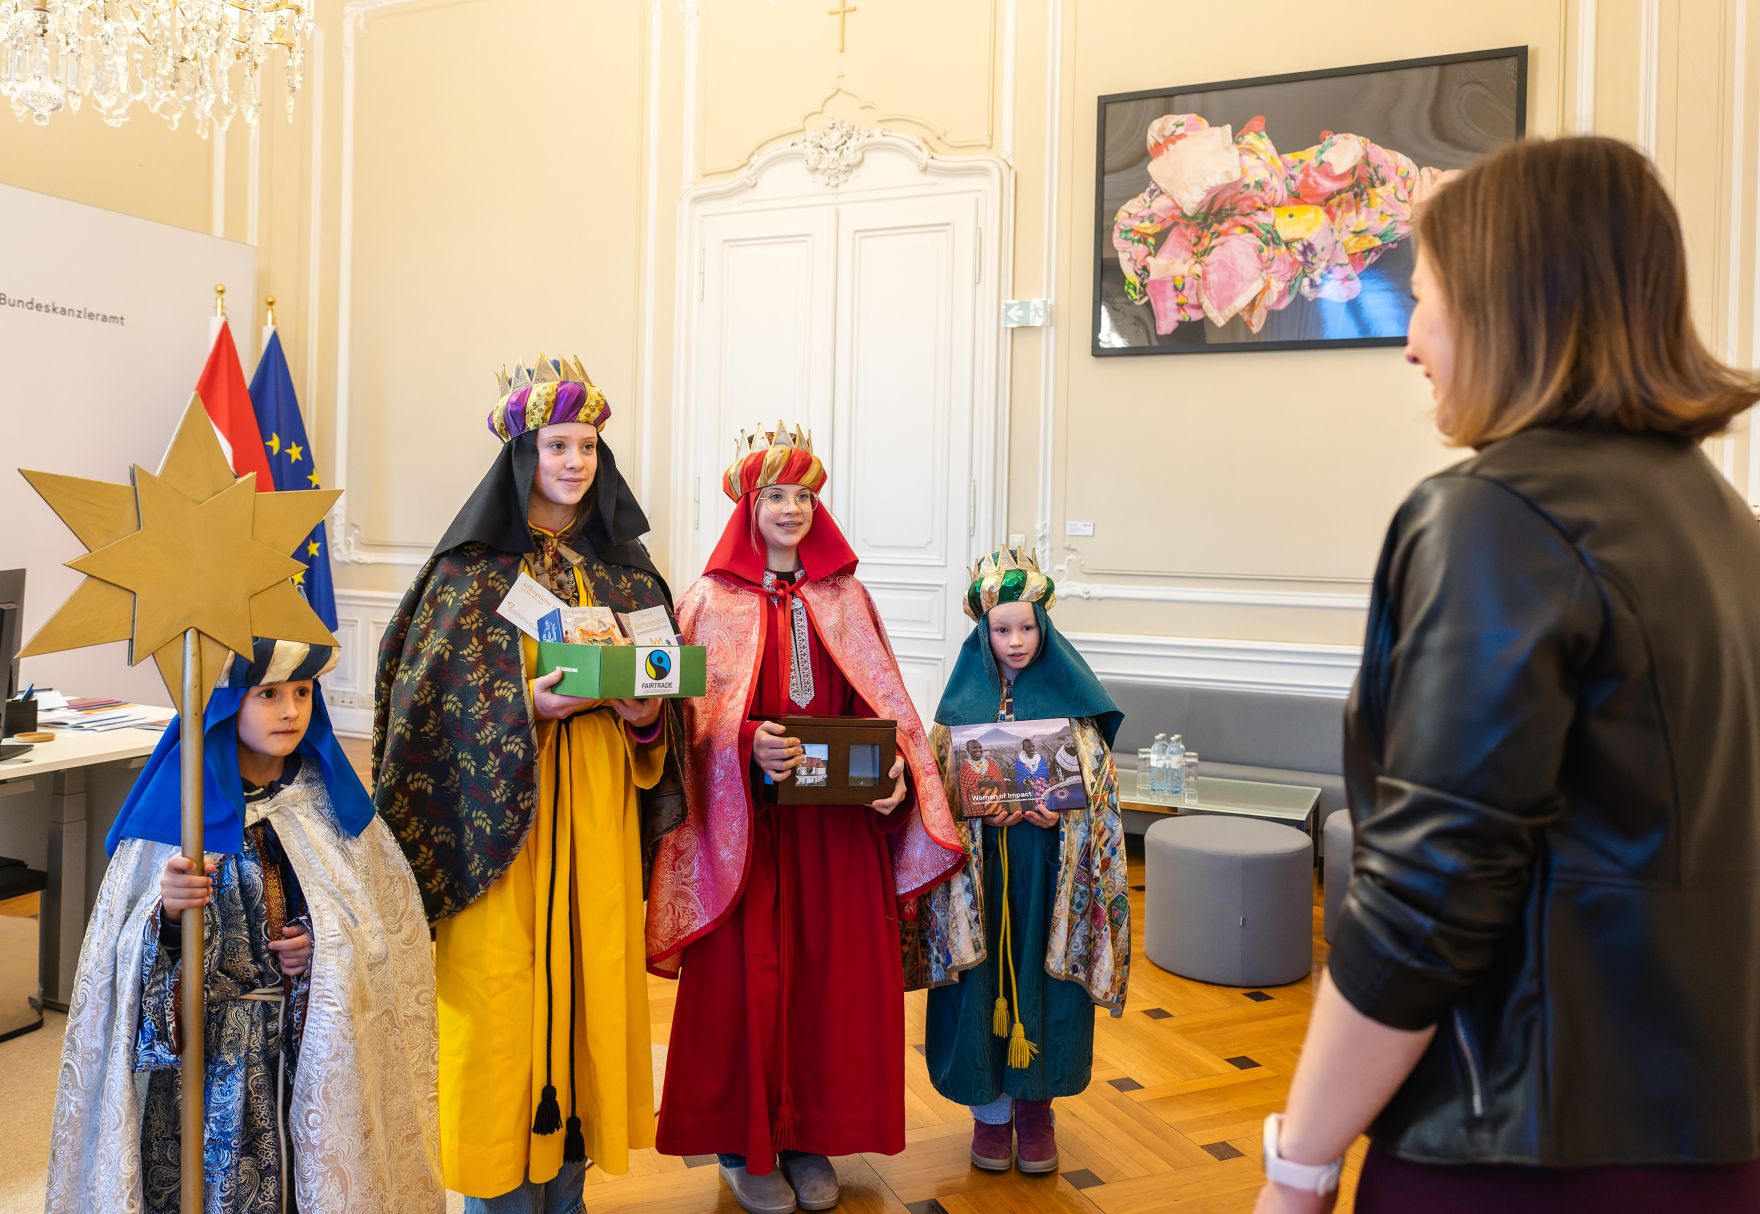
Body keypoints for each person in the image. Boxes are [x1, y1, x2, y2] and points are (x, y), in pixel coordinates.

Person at [1253, 136, 1760, 1214]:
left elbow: (1426, 899)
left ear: (1508, 305)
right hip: (1709, 1129)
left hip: (1518, 1146)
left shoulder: (1493, 516)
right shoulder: (1723, 522)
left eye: (1423, 298)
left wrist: (1298, 1166)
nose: (1409, 343)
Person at [374, 356, 685, 1213]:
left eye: (588, 445)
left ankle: (570, 1190)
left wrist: (644, 714)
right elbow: (423, 701)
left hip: (598, 812)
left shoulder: (624, 568)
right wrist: (528, 705)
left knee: (589, 993)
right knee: (502, 1004)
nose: (576, 461)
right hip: (500, 829)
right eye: (558, 445)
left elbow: (664, 705)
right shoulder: (470, 571)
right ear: (523, 454)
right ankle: (496, 1194)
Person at [648, 423, 964, 1214]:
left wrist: (893, 774)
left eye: (804, 496)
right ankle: (743, 1146)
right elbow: (686, 722)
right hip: (748, 834)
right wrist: (747, 742)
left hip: (833, 831)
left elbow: (881, 703)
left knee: (828, 983)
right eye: (776, 497)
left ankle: (808, 1134)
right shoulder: (708, 602)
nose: (792, 510)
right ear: (748, 508)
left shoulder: (847, 598)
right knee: (746, 987)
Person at [46, 640, 441, 1213]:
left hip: (308, 1056)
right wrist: (170, 914)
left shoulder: (325, 802)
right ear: (229, 704)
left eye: (302, 692)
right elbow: (122, 964)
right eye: (268, 695)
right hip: (211, 1066)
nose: (290, 711)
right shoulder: (180, 813)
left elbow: (381, 932)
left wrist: (322, 947)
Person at [914, 548, 1130, 1175]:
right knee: (982, 983)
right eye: (1002, 629)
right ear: (983, 634)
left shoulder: (1076, 715)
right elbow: (939, 800)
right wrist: (975, 815)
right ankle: (990, 1113)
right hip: (981, 876)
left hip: (1049, 873)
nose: (1016, 641)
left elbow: (1100, 799)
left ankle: (1037, 1108)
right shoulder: (957, 717)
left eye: (1028, 627)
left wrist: (1063, 817)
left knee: (1042, 975)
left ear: (1045, 628)